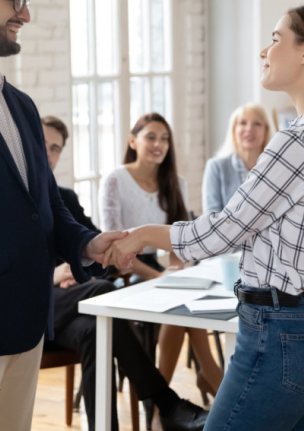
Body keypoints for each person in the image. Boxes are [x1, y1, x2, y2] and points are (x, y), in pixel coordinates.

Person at [105, 4, 304, 431]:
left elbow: (223, 231)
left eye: (276, 39)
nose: (264, 51)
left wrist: (142, 235)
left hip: (284, 334)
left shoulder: (297, 142)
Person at [0, 0, 131, 431]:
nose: (26, 13)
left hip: (27, 326)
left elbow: (43, 210)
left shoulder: (19, 105)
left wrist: (88, 242)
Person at [41, 116, 209, 431]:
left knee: (96, 329)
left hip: (68, 304)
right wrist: (55, 275)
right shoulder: (11, 200)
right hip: (33, 304)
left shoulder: (64, 199)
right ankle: (167, 402)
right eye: (42, 144)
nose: (48, 154)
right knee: (104, 295)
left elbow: (96, 250)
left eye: (55, 148)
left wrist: (80, 271)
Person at [99, 113, 223, 398]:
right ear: (133, 141)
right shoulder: (115, 180)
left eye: (165, 138)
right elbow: (115, 250)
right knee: (181, 303)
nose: (159, 144)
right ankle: (209, 375)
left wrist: (176, 273)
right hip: (126, 273)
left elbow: (180, 242)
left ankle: (161, 402)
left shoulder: (175, 181)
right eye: (151, 137)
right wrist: (158, 276)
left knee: (184, 300)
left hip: (165, 271)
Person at [202, 103, 271, 213]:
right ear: (234, 130)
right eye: (243, 123)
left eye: (257, 123)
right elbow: (211, 216)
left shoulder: (274, 168)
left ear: (266, 131)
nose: (249, 129)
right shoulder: (216, 167)